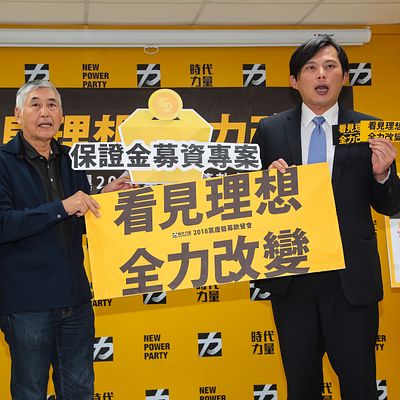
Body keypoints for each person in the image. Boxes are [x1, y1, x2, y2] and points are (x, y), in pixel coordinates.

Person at [252, 36, 400, 400]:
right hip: (293, 277)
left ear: (344, 77)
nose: (321, 74)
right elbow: (251, 206)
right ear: (294, 80)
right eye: (311, 67)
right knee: (301, 385)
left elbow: (391, 205)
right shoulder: (271, 130)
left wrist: (383, 174)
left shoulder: (368, 130)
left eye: (330, 67)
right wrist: (266, 184)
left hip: (351, 280)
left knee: (359, 384)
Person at [0, 80, 132, 400]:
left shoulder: (72, 159)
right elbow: (4, 224)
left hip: (75, 301)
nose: (44, 112)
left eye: (52, 105)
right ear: (18, 114)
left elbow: (81, 220)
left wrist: (105, 200)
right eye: (35, 104)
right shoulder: (2, 162)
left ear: (61, 115)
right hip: (27, 303)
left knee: (80, 391)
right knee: (30, 392)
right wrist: (61, 207)